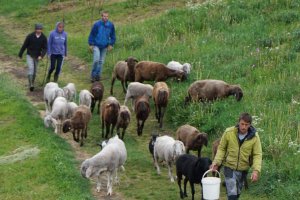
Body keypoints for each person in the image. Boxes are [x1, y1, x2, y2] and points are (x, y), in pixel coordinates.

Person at [210, 113, 262, 200]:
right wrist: (216, 162)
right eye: (242, 124)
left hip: (243, 169)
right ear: (238, 122)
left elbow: (257, 154)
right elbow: (221, 148)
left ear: (250, 125)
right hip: (229, 167)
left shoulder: (255, 137)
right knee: (232, 194)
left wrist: (256, 170)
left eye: (246, 125)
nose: (244, 127)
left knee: (237, 194)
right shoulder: (228, 132)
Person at [88, 10, 116, 82]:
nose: (105, 18)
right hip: (96, 45)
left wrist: (111, 44)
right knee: (96, 60)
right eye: (104, 16)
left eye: (107, 16)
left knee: (101, 62)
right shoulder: (97, 24)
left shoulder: (110, 25)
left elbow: (113, 36)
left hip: (105, 46)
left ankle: (98, 76)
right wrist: (91, 44)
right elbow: (92, 34)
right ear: (101, 16)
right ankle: (93, 75)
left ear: (108, 17)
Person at [18, 23, 47, 91]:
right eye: (37, 29)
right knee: (31, 68)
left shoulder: (43, 37)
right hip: (30, 55)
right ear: (35, 29)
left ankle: (32, 83)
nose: (39, 30)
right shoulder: (30, 36)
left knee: (35, 71)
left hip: (37, 56)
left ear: (42, 30)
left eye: (40, 29)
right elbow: (25, 45)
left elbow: (45, 48)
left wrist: (41, 55)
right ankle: (31, 84)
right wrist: (20, 53)